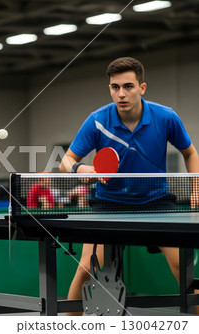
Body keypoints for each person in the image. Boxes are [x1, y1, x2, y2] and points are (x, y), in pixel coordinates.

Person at [59, 57, 199, 315]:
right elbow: (66, 161)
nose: (121, 93)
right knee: (87, 270)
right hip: (108, 203)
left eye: (128, 86)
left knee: (184, 268)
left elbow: (189, 152)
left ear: (142, 87)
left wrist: (196, 187)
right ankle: (68, 325)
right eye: (115, 87)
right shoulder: (97, 120)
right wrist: (81, 169)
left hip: (157, 202)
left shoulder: (165, 117)